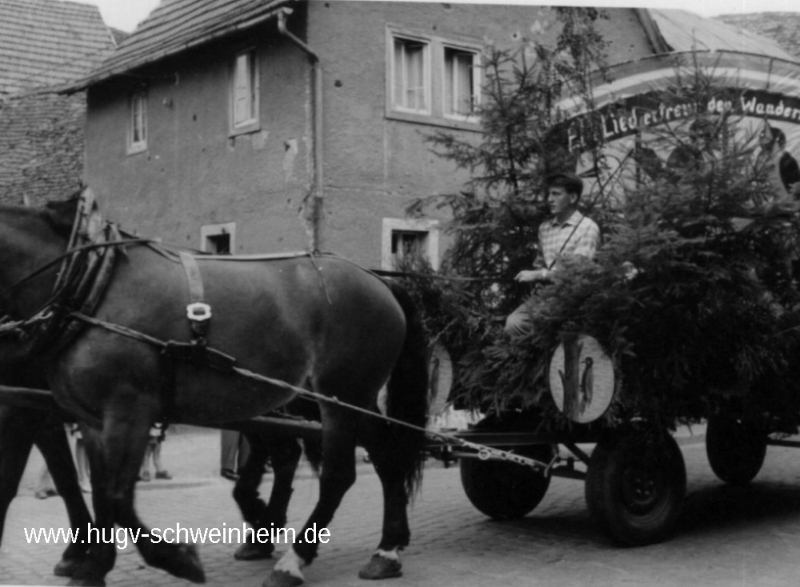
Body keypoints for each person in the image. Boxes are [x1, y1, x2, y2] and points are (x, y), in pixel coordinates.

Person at [504, 172, 601, 338]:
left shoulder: (588, 228)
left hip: (574, 299)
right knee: (514, 324)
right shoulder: (545, 228)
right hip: (546, 296)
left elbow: (578, 275)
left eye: (556, 194)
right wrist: (537, 277)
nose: (549, 199)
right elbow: (540, 264)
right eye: (549, 194)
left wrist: (540, 275)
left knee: (557, 329)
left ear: (572, 198)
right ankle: (536, 359)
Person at [757, 125, 800, 201]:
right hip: (764, 204)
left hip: (786, 205)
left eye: (769, 146)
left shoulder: (786, 161)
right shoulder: (760, 157)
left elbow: (794, 189)